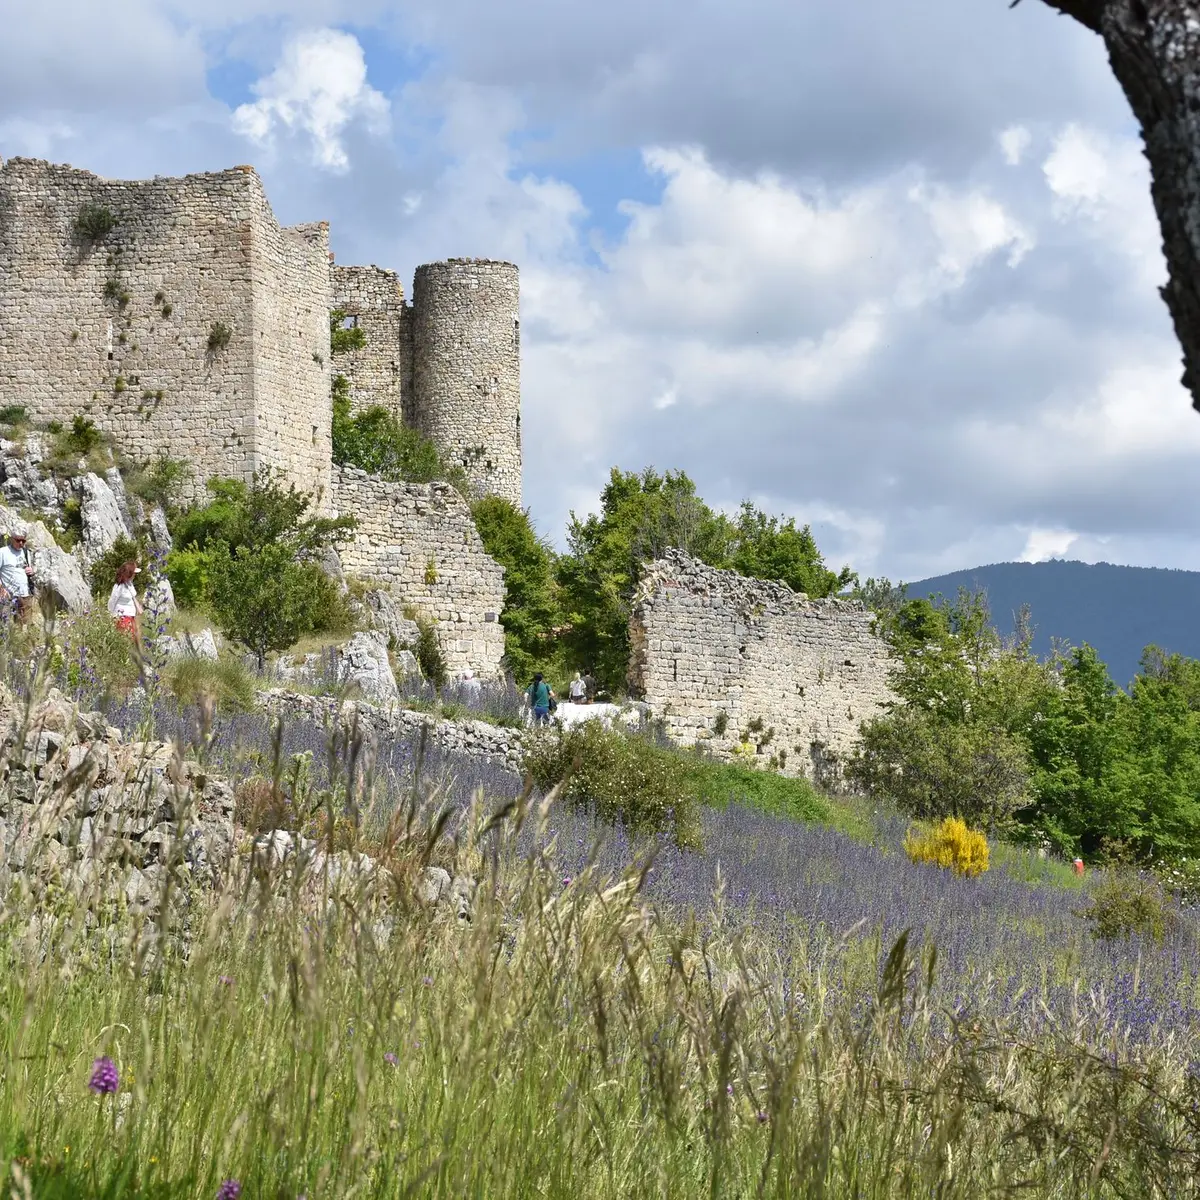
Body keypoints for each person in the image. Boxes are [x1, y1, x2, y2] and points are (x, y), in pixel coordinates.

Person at [0, 525, 35, 624]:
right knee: (6, 625)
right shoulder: (2, 552)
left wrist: (31, 572)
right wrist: (1, 589)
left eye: (23, 541)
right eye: (18, 540)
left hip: (25, 595)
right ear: (12, 539)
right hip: (8, 596)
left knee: (24, 626)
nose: (21, 543)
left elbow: (29, 570)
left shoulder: (26, 552)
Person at [107, 560, 143, 640]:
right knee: (125, 638)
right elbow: (112, 601)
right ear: (129, 573)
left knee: (132, 639)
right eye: (133, 573)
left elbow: (133, 595)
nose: (135, 575)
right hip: (122, 617)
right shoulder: (119, 586)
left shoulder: (130, 584)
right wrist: (112, 614)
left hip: (130, 616)